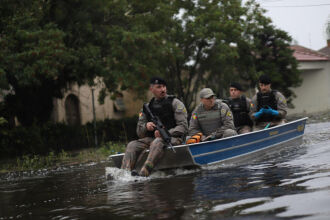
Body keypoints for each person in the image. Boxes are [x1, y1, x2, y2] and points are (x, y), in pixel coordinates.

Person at [121, 77, 188, 177]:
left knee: (157, 141)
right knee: (132, 144)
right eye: (159, 87)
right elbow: (139, 133)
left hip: (173, 139)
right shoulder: (147, 108)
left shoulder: (175, 103)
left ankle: (144, 173)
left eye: (164, 87)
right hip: (152, 139)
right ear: (151, 89)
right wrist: (146, 127)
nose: (163, 89)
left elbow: (183, 127)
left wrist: (165, 133)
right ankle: (125, 175)